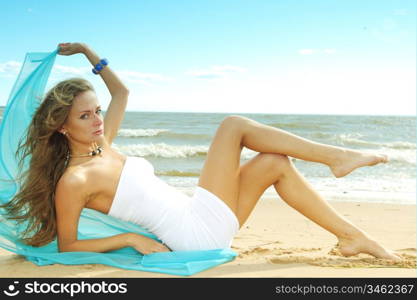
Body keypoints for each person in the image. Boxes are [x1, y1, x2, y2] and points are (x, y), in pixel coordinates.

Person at [1, 42, 401, 261]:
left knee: (274, 163)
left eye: (97, 111)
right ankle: (336, 158)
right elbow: (69, 245)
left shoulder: (102, 145)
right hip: (193, 235)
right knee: (233, 126)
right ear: (61, 125)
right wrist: (130, 239)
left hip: (198, 219)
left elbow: (121, 92)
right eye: (85, 116)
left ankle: (353, 238)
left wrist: (91, 55)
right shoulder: (74, 180)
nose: (98, 120)